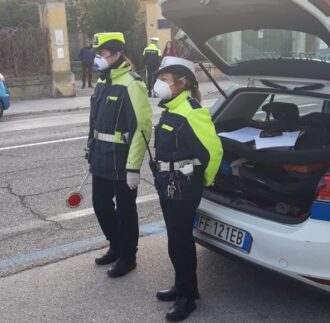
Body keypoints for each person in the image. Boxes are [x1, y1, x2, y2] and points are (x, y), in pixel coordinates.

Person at [151, 57, 223, 321]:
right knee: (174, 239)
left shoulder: (192, 111)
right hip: (167, 184)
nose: (159, 83)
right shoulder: (171, 108)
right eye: (160, 78)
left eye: (165, 79)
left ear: (181, 84)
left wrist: (204, 181)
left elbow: (214, 152)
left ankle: (188, 297)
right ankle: (181, 286)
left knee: (181, 242)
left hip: (184, 187)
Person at [86, 32, 152, 278]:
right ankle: (115, 245)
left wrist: (133, 168)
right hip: (101, 157)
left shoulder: (132, 84)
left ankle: (128, 256)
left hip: (123, 161)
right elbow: (93, 122)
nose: (98, 59)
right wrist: (89, 148)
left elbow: (142, 128)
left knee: (125, 210)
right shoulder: (103, 82)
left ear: (117, 55)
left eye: (101, 54)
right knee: (100, 204)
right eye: (97, 54)